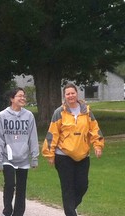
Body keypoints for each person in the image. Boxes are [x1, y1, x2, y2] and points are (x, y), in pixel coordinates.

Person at [42, 83, 104, 216]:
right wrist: (50, 154)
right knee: (68, 188)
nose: (70, 96)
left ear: (77, 94)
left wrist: (97, 145)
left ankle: (70, 206)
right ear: (64, 96)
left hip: (83, 156)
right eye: (68, 94)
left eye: (72, 93)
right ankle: (70, 211)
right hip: (63, 156)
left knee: (83, 185)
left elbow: (94, 129)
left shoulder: (86, 111)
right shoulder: (59, 112)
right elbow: (52, 133)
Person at [0, 87, 39, 216]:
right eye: (19, 96)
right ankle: (7, 210)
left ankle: (19, 213)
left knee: (21, 188)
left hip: (23, 158)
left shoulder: (29, 116)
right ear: (12, 99)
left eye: (24, 96)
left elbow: (33, 137)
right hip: (7, 158)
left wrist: (34, 157)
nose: (23, 98)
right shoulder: (2, 116)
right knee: (9, 184)